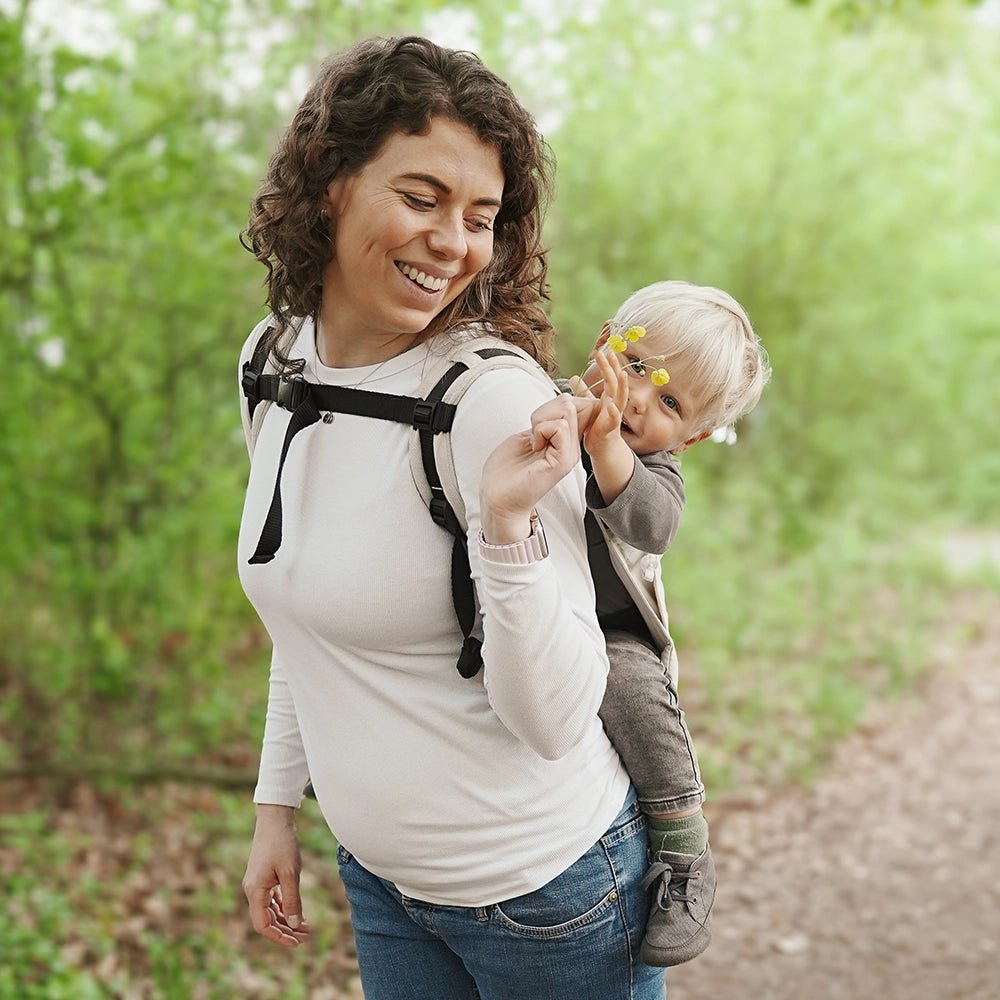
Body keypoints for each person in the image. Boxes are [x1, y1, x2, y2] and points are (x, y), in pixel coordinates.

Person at [237, 35, 665, 999]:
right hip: (383, 885)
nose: (453, 243)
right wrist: (276, 806)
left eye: (480, 217)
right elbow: (303, 611)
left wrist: (506, 531)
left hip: (550, 896)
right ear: (329, 181)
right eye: (421, 198)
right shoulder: (275, 365)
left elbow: (555, 720)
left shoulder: (493, 402)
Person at [510, 280, 769, 966]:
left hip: (609, 629)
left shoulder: (656, 470)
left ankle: (684, 853)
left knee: (632, 685)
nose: (639, 400)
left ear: (694, 437)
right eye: (635, 366)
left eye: (671, 403)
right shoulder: (543, 398)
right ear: (604, 342)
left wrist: (605, 449)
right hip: (518, 604)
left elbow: (653, 526)